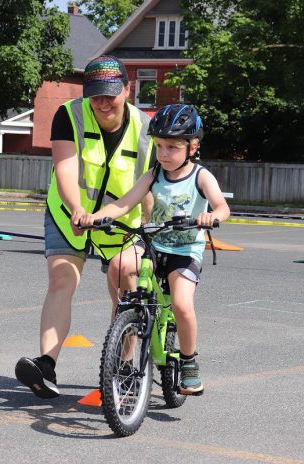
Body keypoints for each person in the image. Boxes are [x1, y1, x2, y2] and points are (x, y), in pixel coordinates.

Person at [15, 55, 155, 399]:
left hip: (122, 221)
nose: (103, 103)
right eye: (96, 95)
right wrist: (77, 209)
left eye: (111, 93)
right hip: (69, 214)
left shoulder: (147, 127)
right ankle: (46, 366)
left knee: (125, 282)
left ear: (127, 88)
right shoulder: (69, 115)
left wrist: (147, 225)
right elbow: (64, 168)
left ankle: (122, 365)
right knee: (62, 278)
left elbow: (150, 185)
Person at [79, 104, 231, 395]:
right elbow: (124, 202)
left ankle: (188, 362)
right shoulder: (153, 175)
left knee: (182, 305)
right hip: (153, 243)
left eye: (172, 147)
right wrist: (95, 217)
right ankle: (127, 321)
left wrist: (211, 216)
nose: (163, 153)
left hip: (185, 251)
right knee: (117, 265)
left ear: (192, 147)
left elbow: (223, 207)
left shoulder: (200, 176)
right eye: (159, 146)